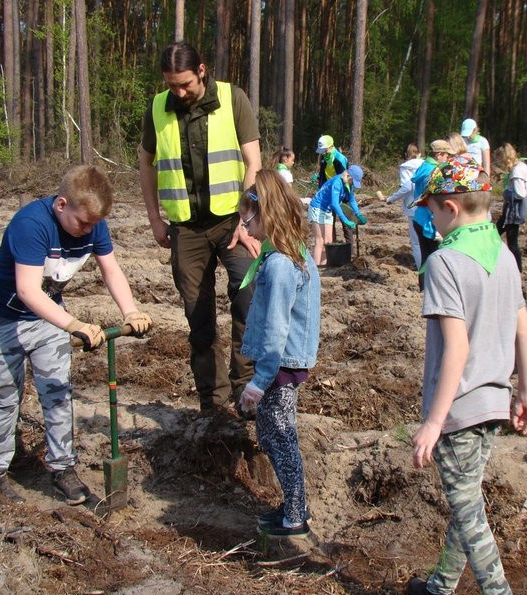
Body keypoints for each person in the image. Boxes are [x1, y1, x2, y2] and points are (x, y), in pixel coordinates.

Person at [407, 156, 527, 595]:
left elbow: (457, 347)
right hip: (494, 404)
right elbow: (525, 330)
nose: (427, 218)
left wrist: (433, 420)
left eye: (428, 209)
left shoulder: (445, 262)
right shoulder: (504, 255)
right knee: (466, 504)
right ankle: (440, 587)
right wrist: (525, 394)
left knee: (470, 515)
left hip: (459, 410)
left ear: (449, 207)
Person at [0, 165, 153, 505]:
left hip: (48, 318)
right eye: (83, 222)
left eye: (93, 224)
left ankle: (62, 468)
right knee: (4, 397)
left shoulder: (94, 226)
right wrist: (73, 324)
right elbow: (28, 290)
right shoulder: (31, 226)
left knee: (58, 394)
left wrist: (130, 311)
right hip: (3, 319)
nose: (88, 230)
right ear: (61, 205)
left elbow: (111, 270)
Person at [138, 41, 261, 411]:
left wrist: (246, 219)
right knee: (199, 317)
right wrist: (155, 219)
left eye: (185, 84)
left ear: (202, 71)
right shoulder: (157, 108)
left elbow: (252, 161)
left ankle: (246, 391)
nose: (178, 92)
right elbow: (147, 164)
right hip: (186, 231)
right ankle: (213, 400)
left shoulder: (233, 98)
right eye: (171, 85)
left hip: (232, 223)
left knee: (248, 300)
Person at [237, 169, 320, 539]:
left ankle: (296, 515)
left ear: (266, 214)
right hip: (282, 362)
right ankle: (293, 506)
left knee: (280, 434)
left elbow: (276, 329)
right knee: (271, 433)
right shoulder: (287, 254)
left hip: (281, 364)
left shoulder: (281, 264)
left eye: (247, 218)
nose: (244, 226)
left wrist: (259, 380)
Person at [408, 138, 460, 288]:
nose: (448, 159)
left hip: (418, 217)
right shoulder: (434, 172)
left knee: (426, 258)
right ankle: (430, 290)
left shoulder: (423, 166)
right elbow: (433, 199)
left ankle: (423, 289)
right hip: (429, 222)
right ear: (439, 155)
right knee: (435, 259)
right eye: (446, 155)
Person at [307, 165, 368, 265]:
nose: (353, 184)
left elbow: (351, 200)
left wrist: (358, 214)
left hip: (327, 210)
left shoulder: (348, 184)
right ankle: (316, 269)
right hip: (317, 208)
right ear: (348, 176)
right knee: (320, 241)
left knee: (328, 241)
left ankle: (324, 266)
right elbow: (335, 204)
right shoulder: (337, 182)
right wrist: (345, 220)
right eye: (353, 181)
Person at [494, 143, 527, 272]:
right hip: (513, 211)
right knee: (496, 233)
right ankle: (513, 267)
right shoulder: (523, 166)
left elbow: (520, 193)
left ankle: (517, 270)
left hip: (514, 212)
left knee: (511, 242)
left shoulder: (517, 171)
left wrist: (506, 193)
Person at [385, 143, 425, 269]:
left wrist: (391, 198)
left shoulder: (405, 167)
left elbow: (408, 186)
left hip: (413, 206)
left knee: (416, 242)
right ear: (418, 153)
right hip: (428, 205)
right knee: (428, 238)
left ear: (406, 155)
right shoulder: (426, 165)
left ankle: (421, 270)